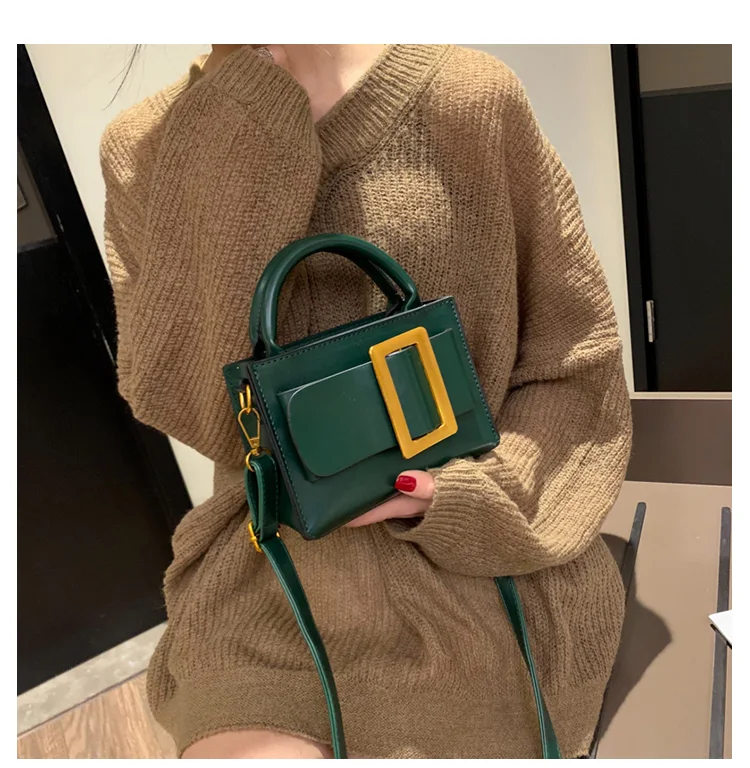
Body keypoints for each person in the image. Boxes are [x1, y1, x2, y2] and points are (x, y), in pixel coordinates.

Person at [100, 44, 632, 759]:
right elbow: (203, 412)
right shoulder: (144, 147)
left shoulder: (468, 97)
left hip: (485, 551)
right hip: (276, 575)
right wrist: (243, 110)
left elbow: (575, 359)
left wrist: (468, 498)